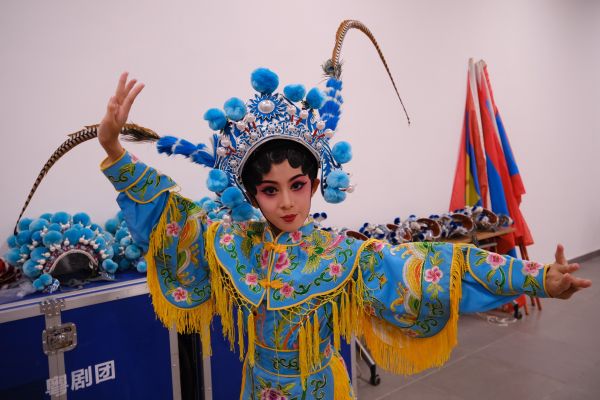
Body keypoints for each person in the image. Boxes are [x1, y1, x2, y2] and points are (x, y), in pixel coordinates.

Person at [97, 66, 591, 399]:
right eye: (269, 190)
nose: (286, 203)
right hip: (257, 387)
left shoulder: (342, 256)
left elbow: (437, 267)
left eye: (297, 185)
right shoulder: (234, 244)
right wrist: (116, 152)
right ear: (251, 196)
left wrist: (536, 278)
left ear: (315, 185)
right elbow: (172, 220)